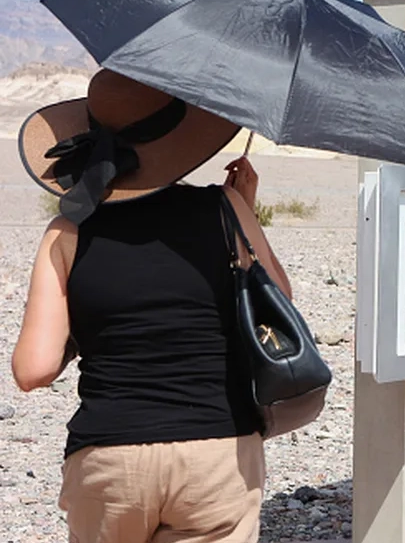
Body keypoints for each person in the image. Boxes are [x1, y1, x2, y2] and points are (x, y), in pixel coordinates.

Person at [10, 69, 292, 542]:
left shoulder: (67, 233)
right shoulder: (226, 210)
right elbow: (279, 303)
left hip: (109, 455)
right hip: (219, 449)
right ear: (179, 139)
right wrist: (244, 211)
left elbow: (32, 370)